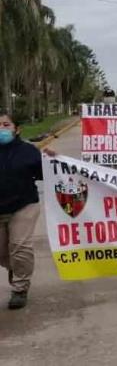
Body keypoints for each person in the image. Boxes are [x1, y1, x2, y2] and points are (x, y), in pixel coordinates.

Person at [0, 111, 43, 310]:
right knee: (3, 252)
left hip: (24, 205)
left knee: (19, 246)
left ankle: (20, 288)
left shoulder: (29, 151)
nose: (1, 129)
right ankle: (17, 270)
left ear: (17, 130)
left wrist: (52, 160)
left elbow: (48, 174)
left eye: (5, 125)